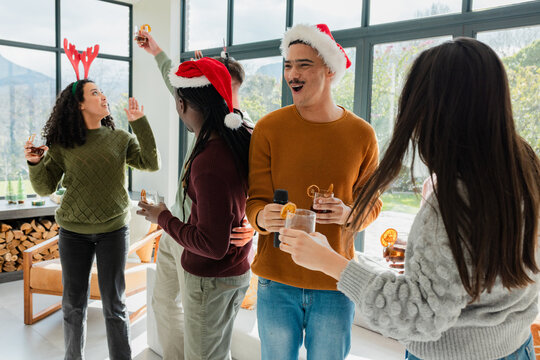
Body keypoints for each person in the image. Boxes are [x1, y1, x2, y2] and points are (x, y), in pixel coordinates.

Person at [279, 37, 540, 359]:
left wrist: (331, 262)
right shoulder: (522, 164)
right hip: (514, 346)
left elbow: (419, 315)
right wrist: (431, 261)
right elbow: (486, 262)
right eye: (288, 65)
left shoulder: (453, 199)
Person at [246, 23, 382, 359]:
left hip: (336, 281)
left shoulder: (362, 134)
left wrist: (349, 214)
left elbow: (373, 204)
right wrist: (264, 216)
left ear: (330, 71)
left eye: (303, 64)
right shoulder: (268, 128)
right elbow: (254, 202)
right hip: (276, 281)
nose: (292, 73)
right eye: (288, 65)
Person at [136, 30, 253, 359]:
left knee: (206, 341)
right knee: (166, 305)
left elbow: (265, 187)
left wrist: (254, 223)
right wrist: (158, 51)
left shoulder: (229, 140)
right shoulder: (215, 130)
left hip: (200, 243)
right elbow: (174, 82)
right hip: (182, 233)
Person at [25, 79, 160, 360]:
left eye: (101, 91)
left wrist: (140, 122)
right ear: (79, 104)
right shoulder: (63, 145)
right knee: (73, 305)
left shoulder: (120, 137)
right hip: (73, 233)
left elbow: (150, 162)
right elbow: (45, 188)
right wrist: (35, 164)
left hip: (113, 231)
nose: (103, 97)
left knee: (115, 305)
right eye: (95, 92)